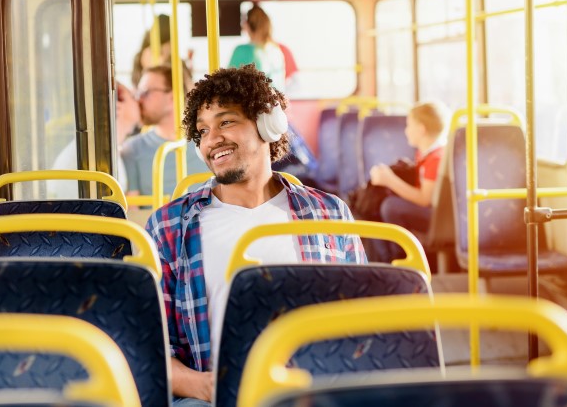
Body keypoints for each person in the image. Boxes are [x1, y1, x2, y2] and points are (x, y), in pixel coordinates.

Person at [145, 65, 367, 405]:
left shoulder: (329, 214)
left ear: (268, 124)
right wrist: (203, 387)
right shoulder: (170, 226)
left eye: (226, 122)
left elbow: (364, 323)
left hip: (313, 393)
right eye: (202, 131)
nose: (212, 139)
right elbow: (151, 348)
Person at [368, 101, 449, 261]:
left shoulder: (437, 158)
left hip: (439, 218)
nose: (406, 131)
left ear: (421, 129)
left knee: (391, 207)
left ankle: (401, 257)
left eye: (409, 125)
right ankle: (387, 259)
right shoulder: (424, 154)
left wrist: (390, 180)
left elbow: (425, 199)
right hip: (433, 212)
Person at [121, 65, 207, 199]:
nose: (138, 99)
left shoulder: (207, 142)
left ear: (172, 97)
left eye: (145, 92)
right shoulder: (131, 150)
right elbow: (133, 212)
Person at [50, 82, 139, 197]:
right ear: (117, 106)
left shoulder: (106, 147)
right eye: (132, 97)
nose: (138, 101)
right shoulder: (96, 153)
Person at [229, 5, 287, 92]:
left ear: (247, 25)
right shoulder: (276, 50)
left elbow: (229, 82)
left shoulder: (241, 51)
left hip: (254, 103)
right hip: (276, 103)